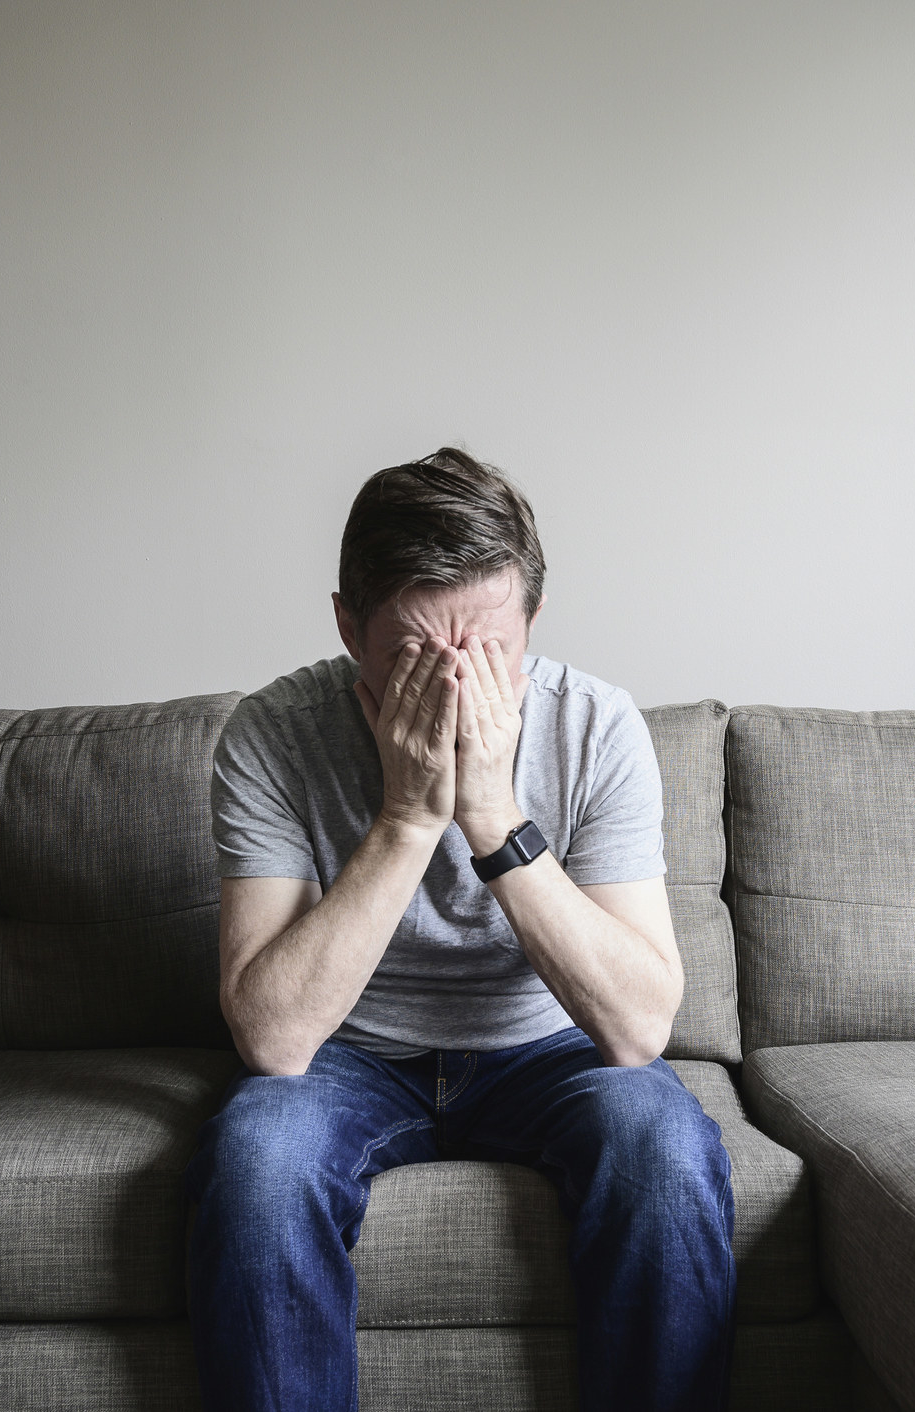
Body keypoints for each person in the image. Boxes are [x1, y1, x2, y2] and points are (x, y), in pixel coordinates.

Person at [183, 447, 735, 1412]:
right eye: (412, 657)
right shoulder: (272, 734)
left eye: (489, 653)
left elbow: (639, 1030)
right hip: (349, 1056)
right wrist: (405, 821)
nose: (454, 688)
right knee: (256, 1164)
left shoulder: (597, 727)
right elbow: (272, 1038)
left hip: (547, 1047)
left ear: (532, 621)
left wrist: (492, 816)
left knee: (666, 1149)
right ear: (348, 626)